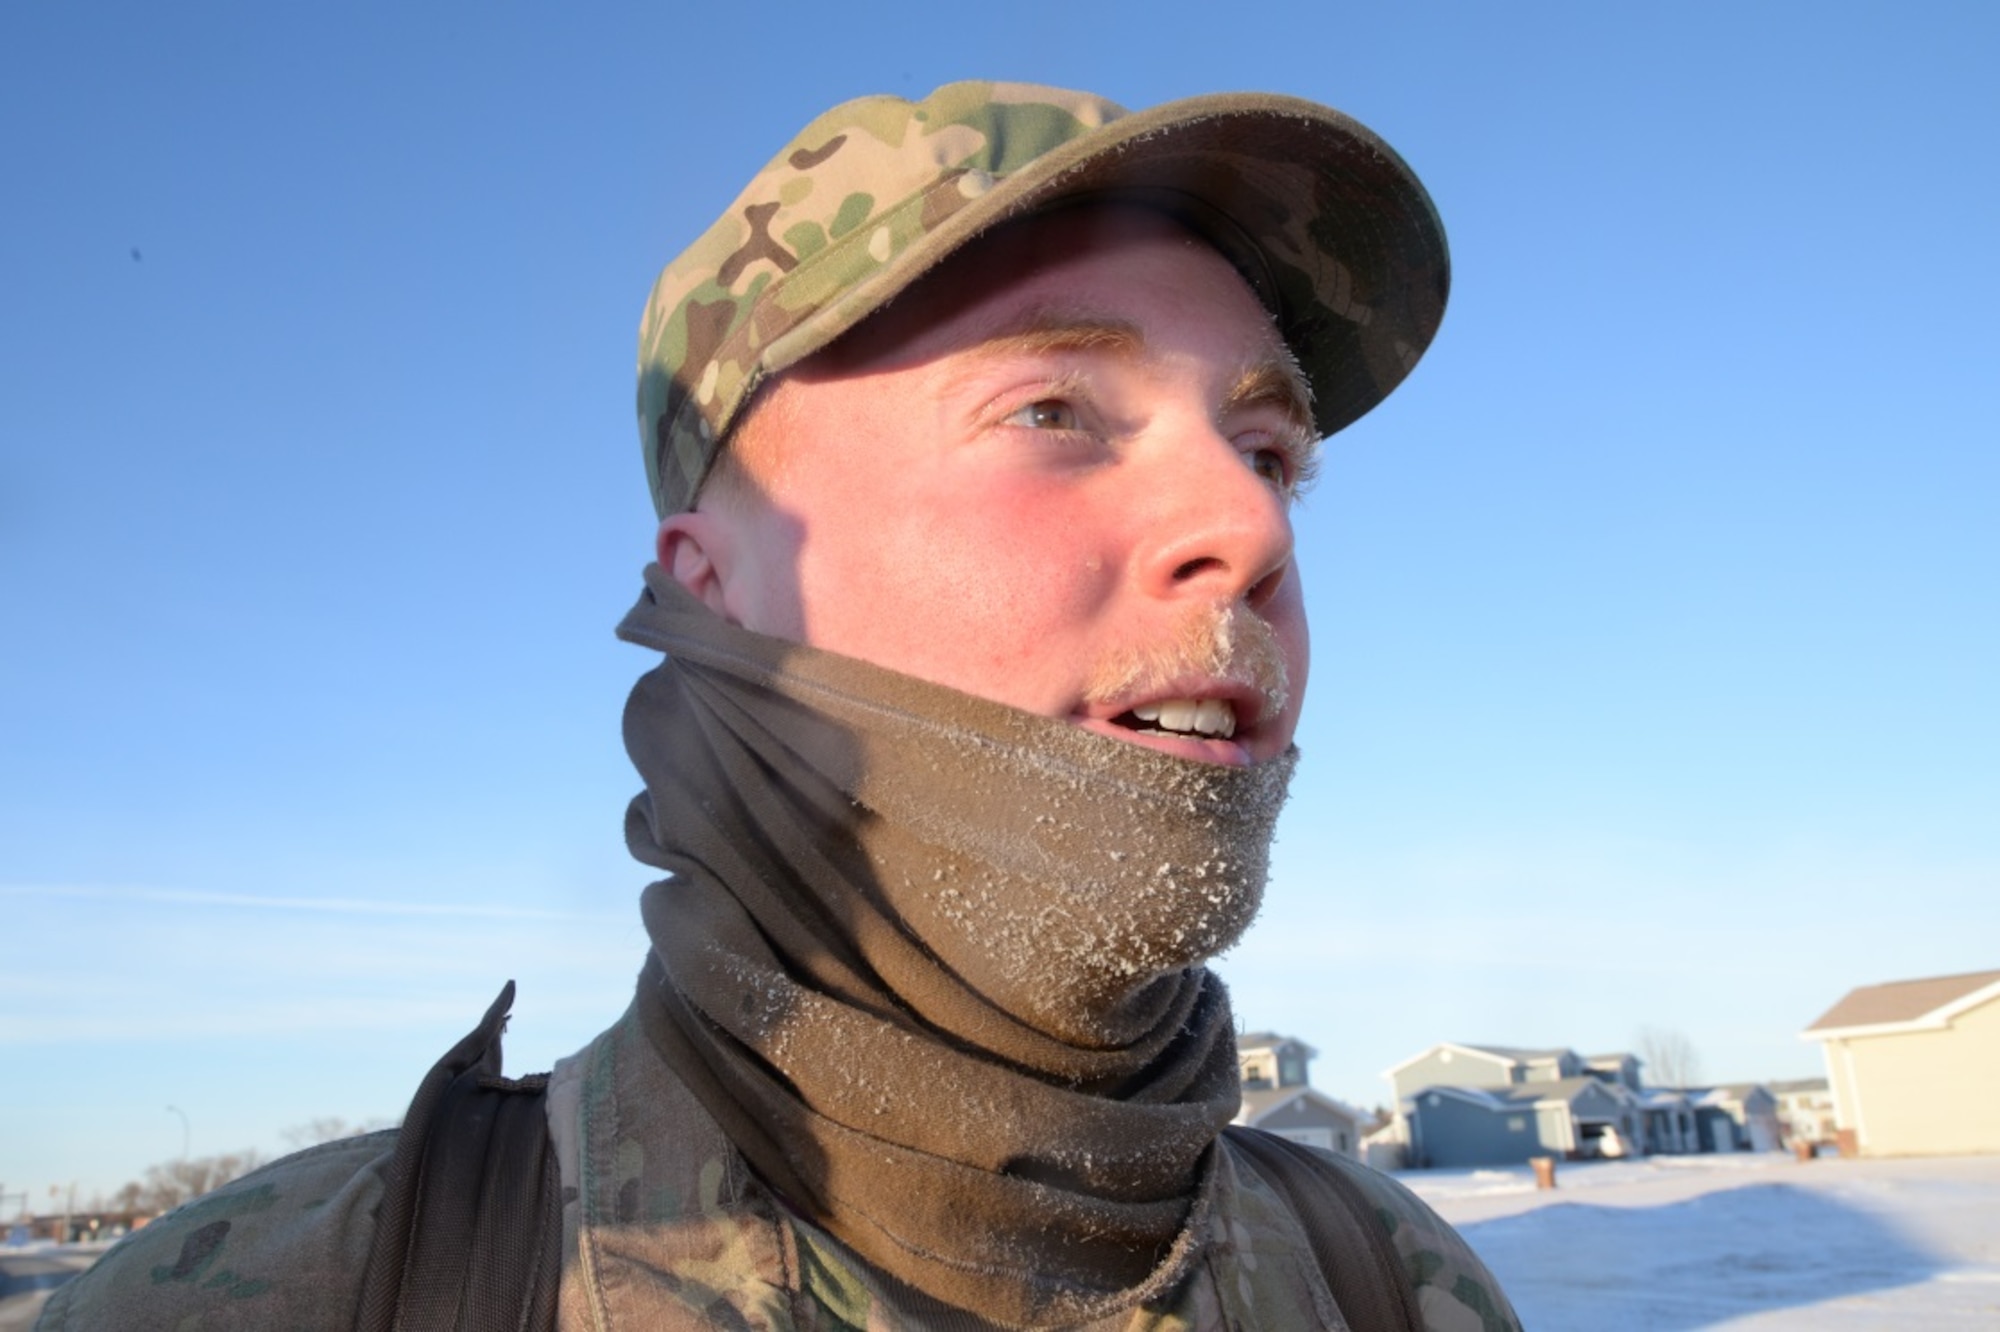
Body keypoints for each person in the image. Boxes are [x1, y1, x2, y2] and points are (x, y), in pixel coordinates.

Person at [41, 82, 1520, 1331]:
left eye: (1269, 453)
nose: (1250, 531)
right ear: (718, 585)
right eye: (1054, 413)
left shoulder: (1396, 1286)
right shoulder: (306, 1292)